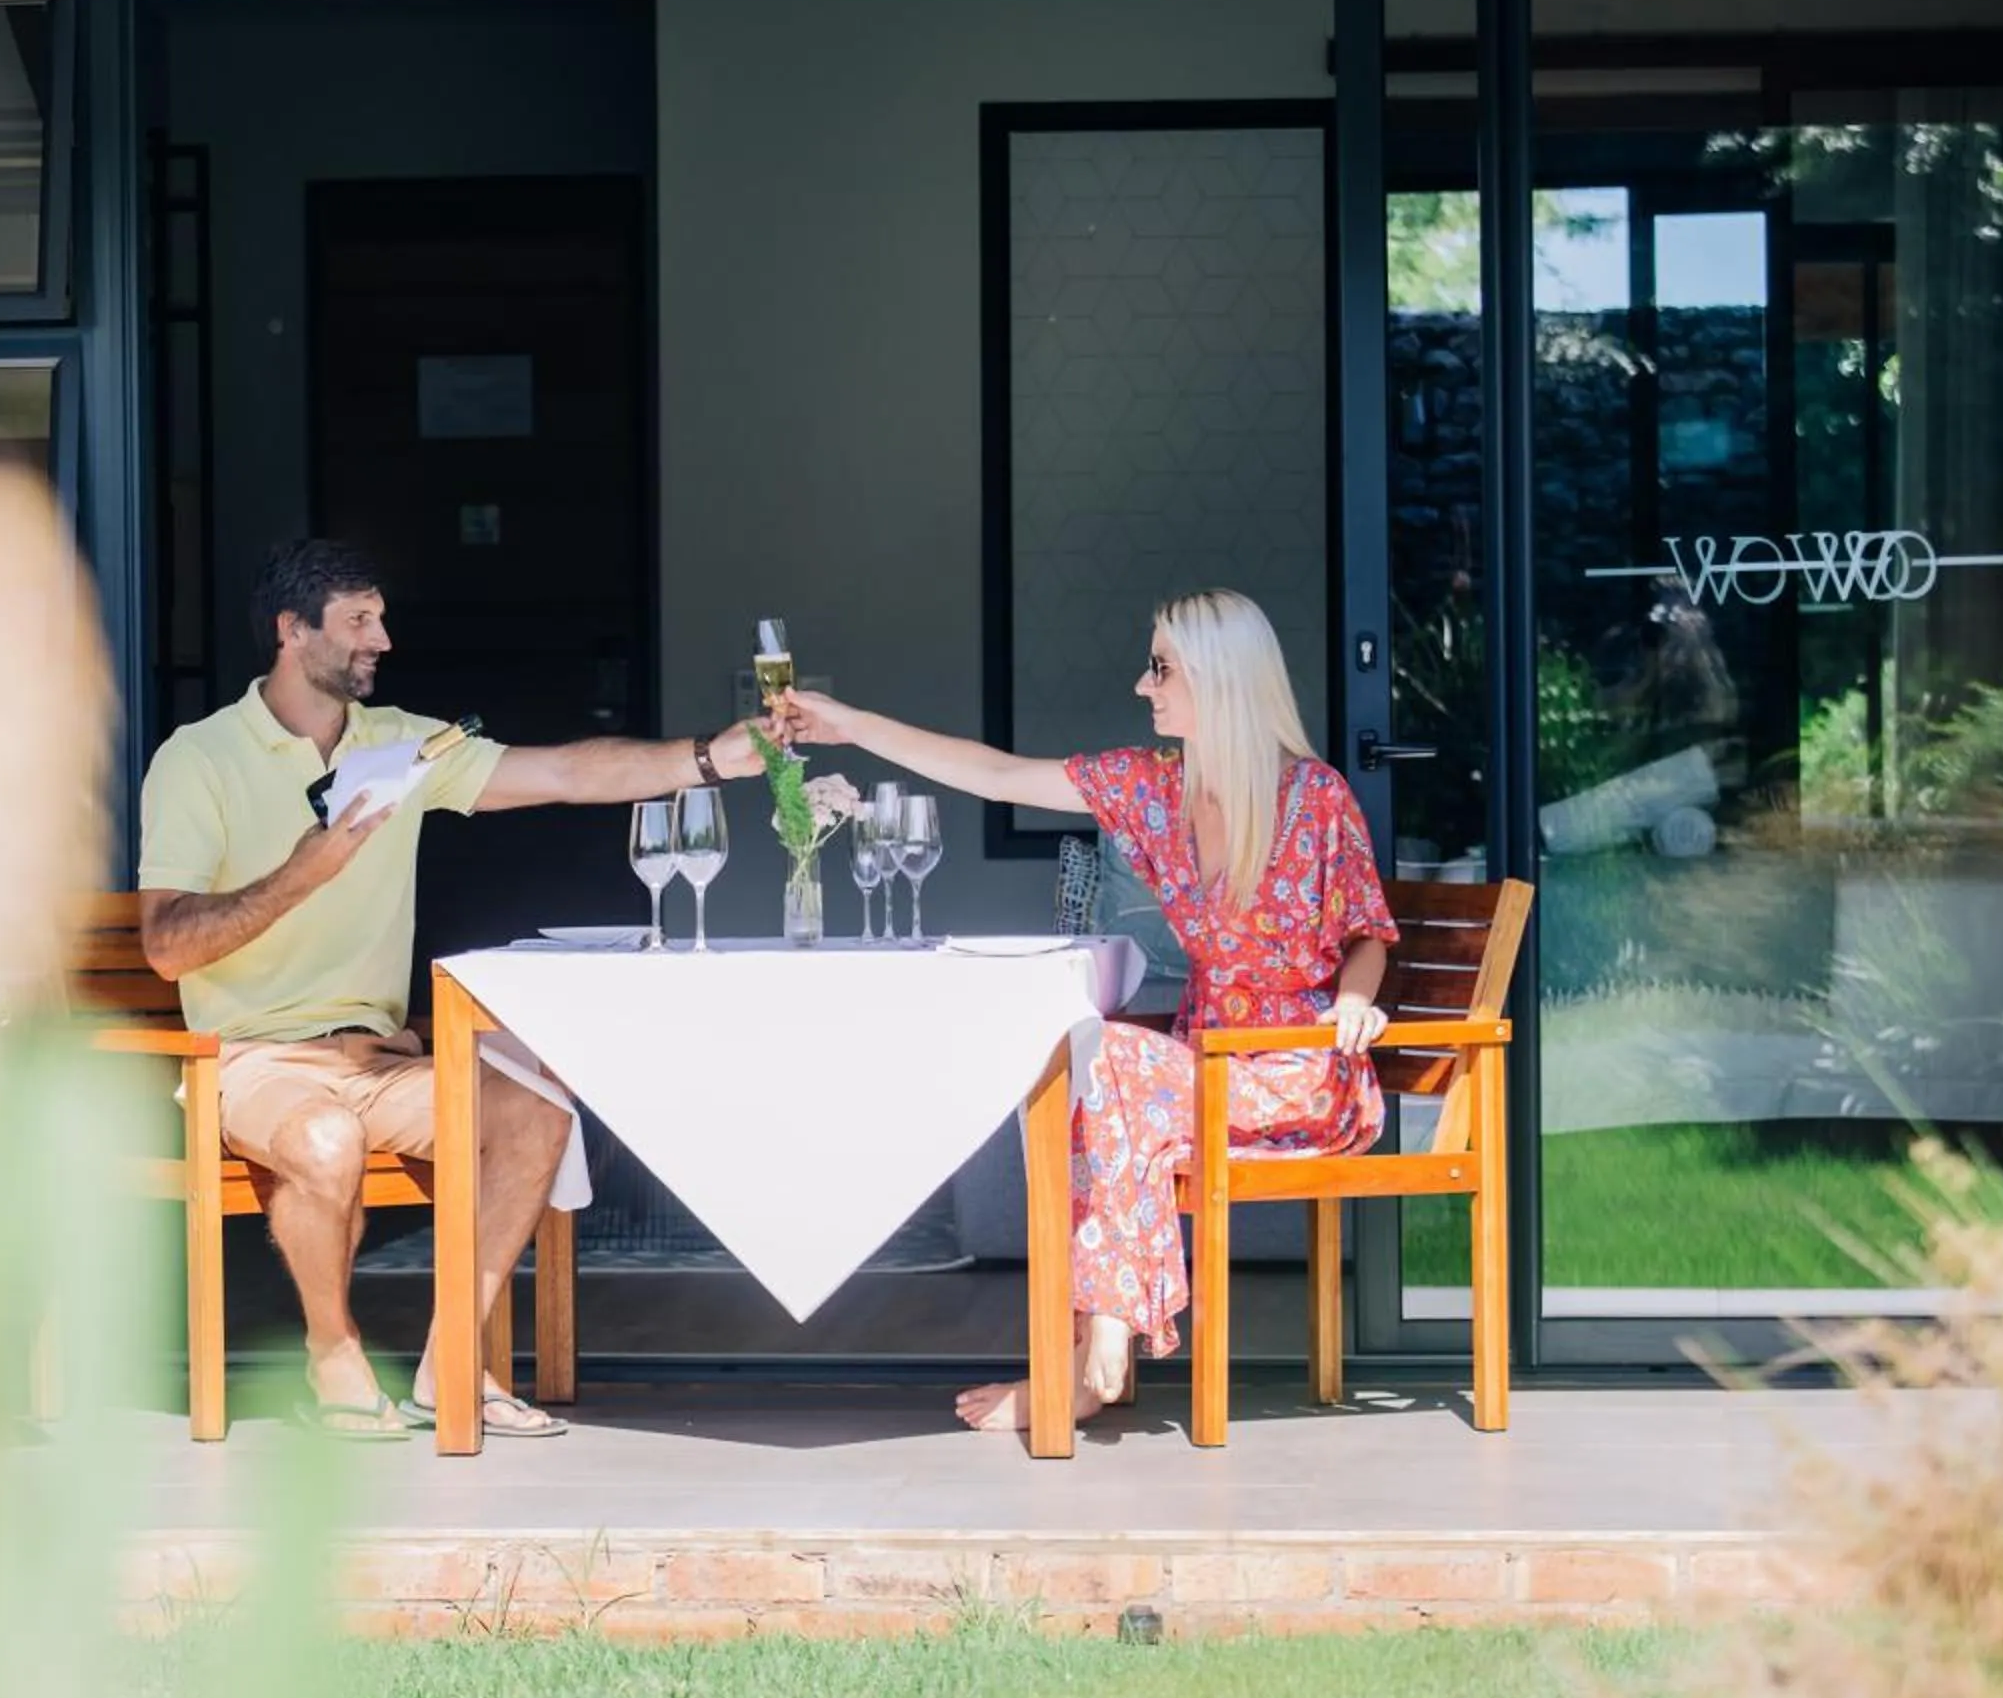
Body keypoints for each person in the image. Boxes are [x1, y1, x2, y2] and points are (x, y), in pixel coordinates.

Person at [138, 539, 764, 1438]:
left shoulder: (402, 744)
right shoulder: (198, 759)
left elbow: (563, 772)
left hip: (377, 1058)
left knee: (538, 1110)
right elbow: (165, 946)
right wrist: (301, 874)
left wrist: (710, 759)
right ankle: (333, 1355)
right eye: (359, 619)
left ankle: (450, 1362)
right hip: (251, 1059)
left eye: (381, 618)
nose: (382, 638)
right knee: (323, 1138)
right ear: (290, 630)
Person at [774, 589, 1397, 1431]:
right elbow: (994, 772)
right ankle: (1097, 1344)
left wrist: (1357, 998)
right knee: (1094, 1062)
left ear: (1218, 680)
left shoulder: (1314, 799)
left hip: (1297, 1075)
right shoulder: (1152, 789)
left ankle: (1091, 1359)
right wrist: (853, 724)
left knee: (1113, 1063)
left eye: (1162, 668)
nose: (1145, 686)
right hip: (1200, 1070)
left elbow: (1368, 932)